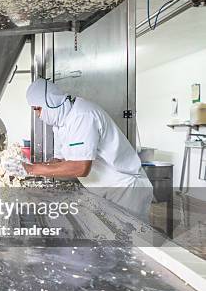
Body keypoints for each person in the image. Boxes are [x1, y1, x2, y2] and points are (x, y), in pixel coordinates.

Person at [23, 78, 153, 220]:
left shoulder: (83, 115)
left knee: (129, 240)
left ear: (50, 101)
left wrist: (31, 170)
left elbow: (81, 167)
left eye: (38, 108)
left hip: (125, 190)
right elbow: (59, 160)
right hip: (106, 191)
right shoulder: (60, 124)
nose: (38, 114)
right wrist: (32, 167)